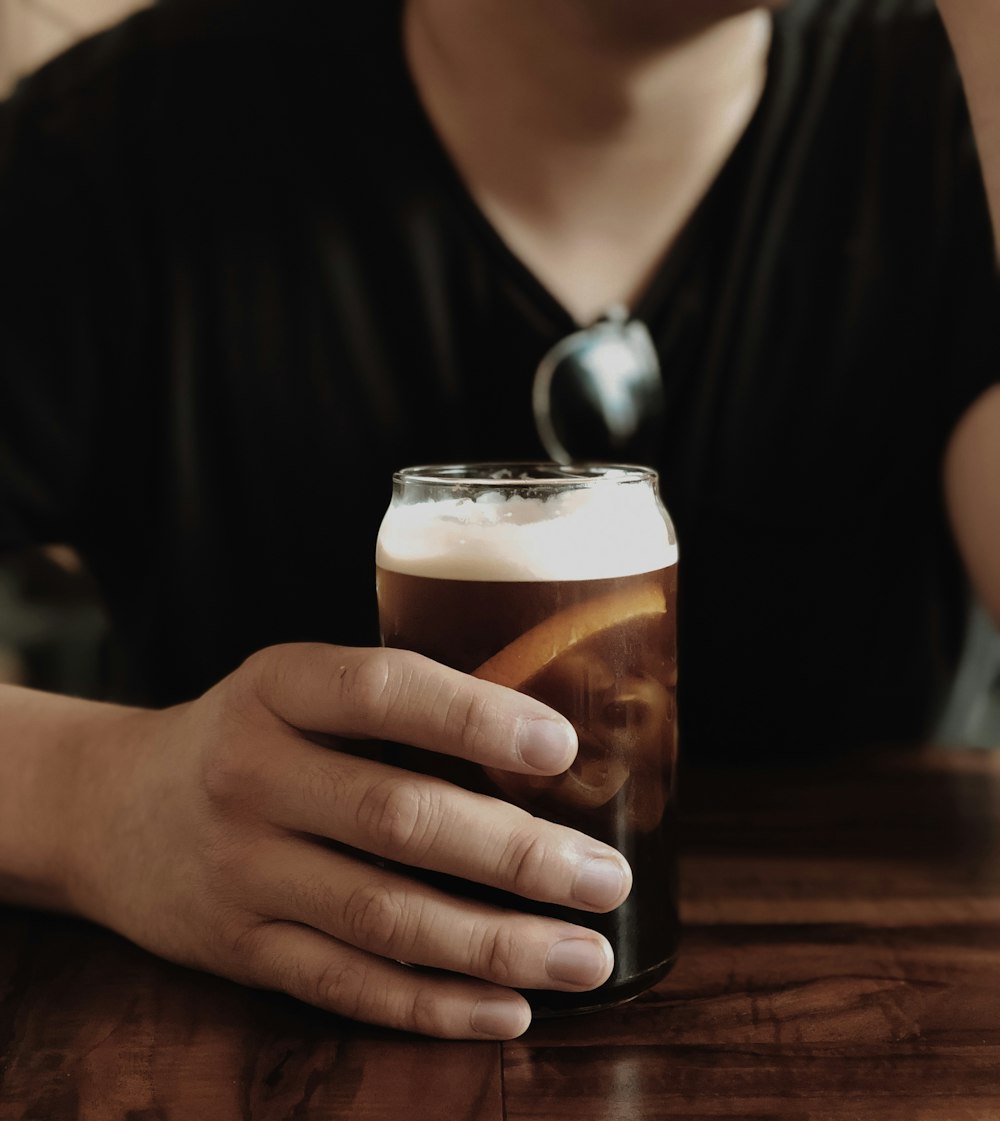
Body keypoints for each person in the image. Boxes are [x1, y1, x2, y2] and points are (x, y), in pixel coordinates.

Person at [0, 0, 997, 1040]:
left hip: (860, 1041)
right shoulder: (121, 136)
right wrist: (97, 802)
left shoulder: (957, 113)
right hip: (266, 1067)